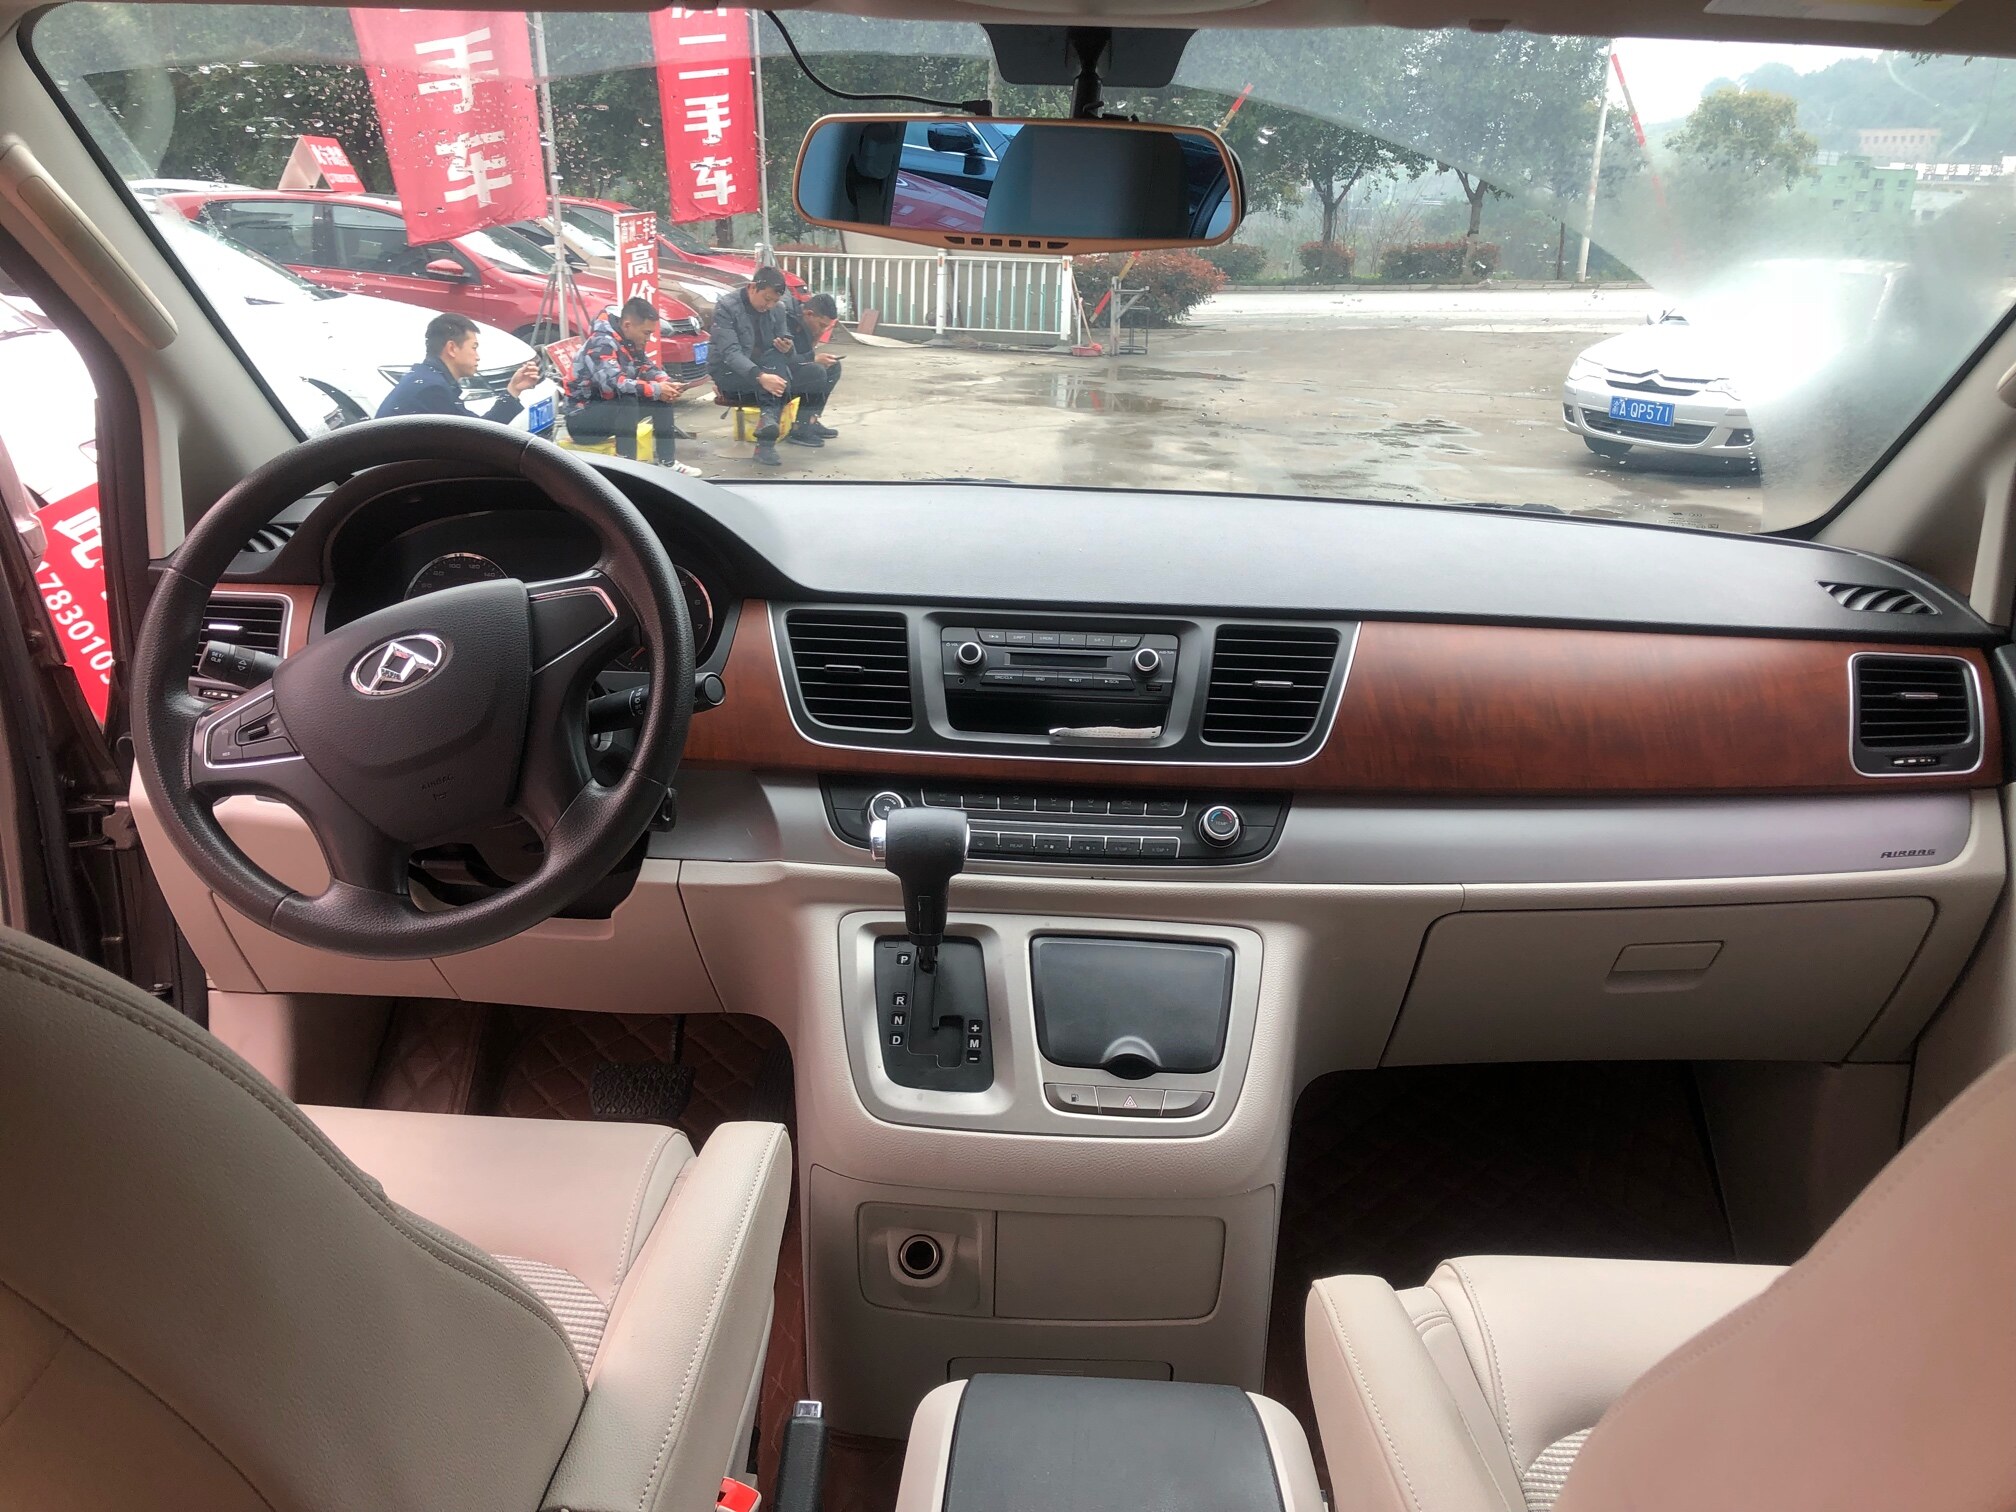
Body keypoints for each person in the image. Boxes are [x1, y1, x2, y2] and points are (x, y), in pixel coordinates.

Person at [710, 266, 827, 468]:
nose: (769, 305)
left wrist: (788, 348)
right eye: (766, 299)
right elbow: (731, 353)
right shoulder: (726, 307)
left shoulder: (777, 309)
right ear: (752, 287)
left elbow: (785, 345)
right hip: (731, 373)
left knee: (815, 372)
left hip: (771, 370)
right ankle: (765, 445)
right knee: (775, 381)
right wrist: (761, 376)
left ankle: (781, 422)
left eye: (774, 301)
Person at [566, 297, 699, 470]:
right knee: (627, 399)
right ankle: (627, 466)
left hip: (609, 412)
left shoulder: (628, 340)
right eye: (646, 333)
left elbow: (646, 366)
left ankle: (668, 462)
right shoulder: (601, 343)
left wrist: (666, 382)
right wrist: (655, 389)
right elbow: (612, 383)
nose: (648, 338)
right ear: (628, 325)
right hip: (582, 423)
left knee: (662, 398)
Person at [375, 312, 539, 423]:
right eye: (474, 347)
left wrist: (513, 390)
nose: (478, 356)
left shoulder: (425, 377)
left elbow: (478, 430)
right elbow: (479, 437)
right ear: (452, 348)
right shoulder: (432, 390)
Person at [776, 293, 843, 450]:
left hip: (793, 369)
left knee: (833, 366)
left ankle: (811, 420)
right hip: (778, 375)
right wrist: (813, 359)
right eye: (821, 325)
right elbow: (785, 359)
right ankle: (800, 428)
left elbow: (805, 352)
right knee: (816, 371)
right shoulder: (786, 321)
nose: (823, 329)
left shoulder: (807, 323)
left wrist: (816, 336)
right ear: (809, 314)